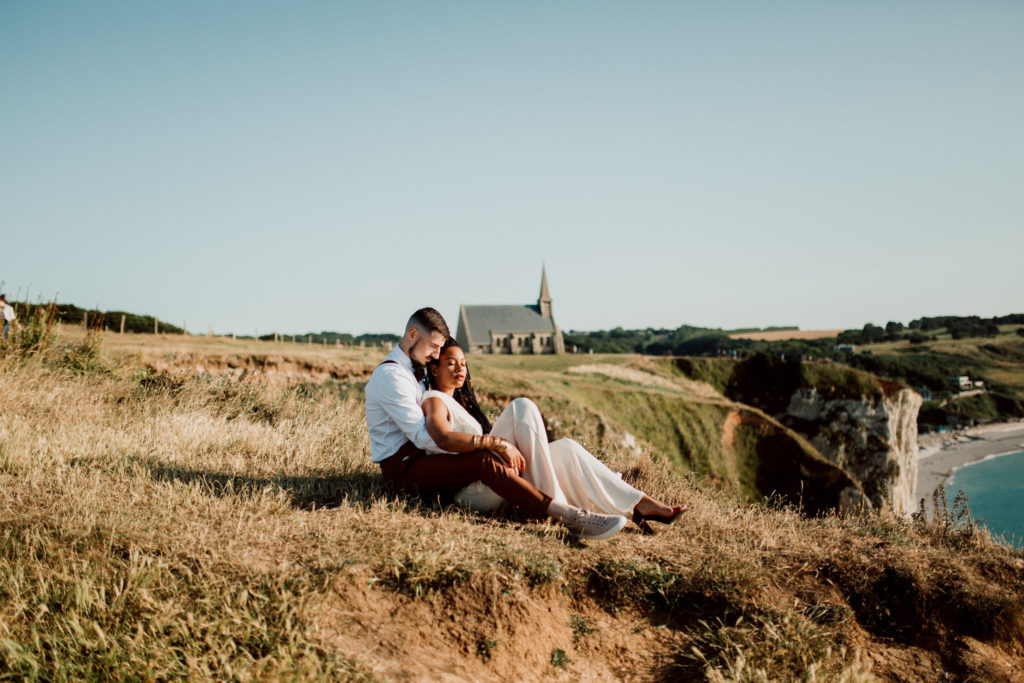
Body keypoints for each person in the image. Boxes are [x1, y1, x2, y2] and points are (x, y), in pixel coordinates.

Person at [365, 308, 628, 540]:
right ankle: (567, 514)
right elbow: (426, 437)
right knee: (483, 460)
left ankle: (627, 506)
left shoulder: (417, 370)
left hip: (432, 460)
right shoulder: (392, 376)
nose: (436, 355)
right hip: (406, 468)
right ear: (412, 334)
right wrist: (493, 444)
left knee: (556, 443)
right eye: (433, 347)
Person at [421, 337, 687, 534]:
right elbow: (441, 436)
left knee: (567, 448)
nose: (460, 369)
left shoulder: (459, 404)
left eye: (463, 364)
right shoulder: (434, 399)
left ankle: (638, 504)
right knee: (521, 407)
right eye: (451, 363)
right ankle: (565, 511)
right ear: (434, 369)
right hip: (470, 491)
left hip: (490, 481)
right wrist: (497, 443)